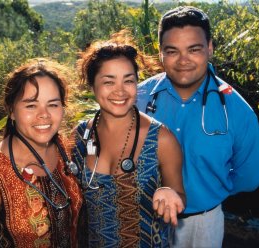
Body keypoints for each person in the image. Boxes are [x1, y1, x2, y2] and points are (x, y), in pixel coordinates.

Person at [137, 6, 259, 248]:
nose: (183, 60)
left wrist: (209, 191)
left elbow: (249, 178)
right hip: (143, 219)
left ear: (210, 48)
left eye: (194, 49)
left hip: (203, 226)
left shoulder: (237, 111)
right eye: (172, 51)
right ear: (160, 52)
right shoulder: (137, 99)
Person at [70, 31, 186, 247]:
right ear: (92, 85)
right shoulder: (79, 137)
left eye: (128, 80)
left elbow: (179, 193)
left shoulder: (162, 139)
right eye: (108, 82)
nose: (120, 91)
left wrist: (170, 194)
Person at [0, 58, 83, 248]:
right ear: (11, 110)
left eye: (53, 104)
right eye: (31, 105)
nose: (44, 114)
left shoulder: (64, 148)